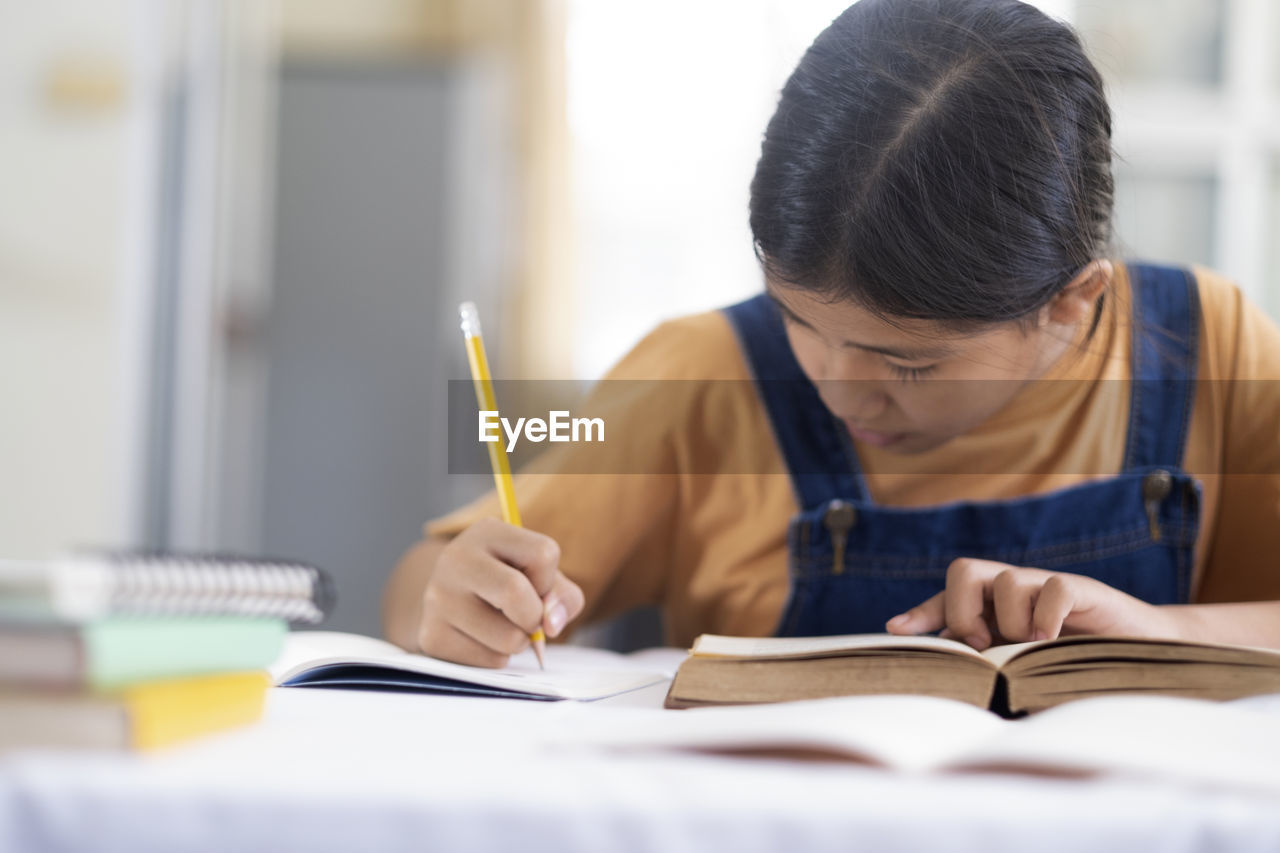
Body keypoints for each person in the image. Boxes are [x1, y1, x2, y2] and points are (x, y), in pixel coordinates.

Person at [383, 0, 1280, 667]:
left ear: (1072, 302)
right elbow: (422, 581)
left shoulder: (1213, 344)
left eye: (908, 362)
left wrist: (1164, 630)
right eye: (799, 322)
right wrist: (454, 596)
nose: (838, 387)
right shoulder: (701, 376)